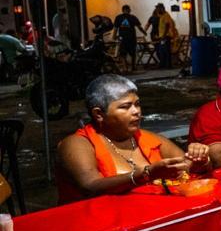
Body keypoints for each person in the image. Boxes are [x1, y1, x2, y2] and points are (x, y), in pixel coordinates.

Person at [56, 75, 211, 203]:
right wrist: (147, 174)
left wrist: (200, 161)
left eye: (137, 104)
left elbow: (186, 170)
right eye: (125, 107)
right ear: (98, 114)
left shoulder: (150, 139)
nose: (136, 112)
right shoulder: (76, 143)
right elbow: (90, 186)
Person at [145, 3, 180, 69]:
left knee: (166, 51)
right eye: (157, 9)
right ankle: (163, 64)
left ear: (162, 8)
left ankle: (167, 65)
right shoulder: (162, 15)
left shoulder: (166, 15)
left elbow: (167, 26)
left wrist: (163, 36)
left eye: (158, 8)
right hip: (162, 36)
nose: (157, 10)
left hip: (166, 36)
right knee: (162, 51)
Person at [113, 5, 144, 71]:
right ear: (128, 10)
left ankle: (125, 68)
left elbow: (115, 28)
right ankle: (133, 67)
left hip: (123, 39)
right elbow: (139, 27)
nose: (129, 10)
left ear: (122, 10)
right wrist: (144, 32)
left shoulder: (118, 17)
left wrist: (114, 36)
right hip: (131, 38)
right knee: (132, 53)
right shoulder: (133, 17)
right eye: (129, 9)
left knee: (123, 53)